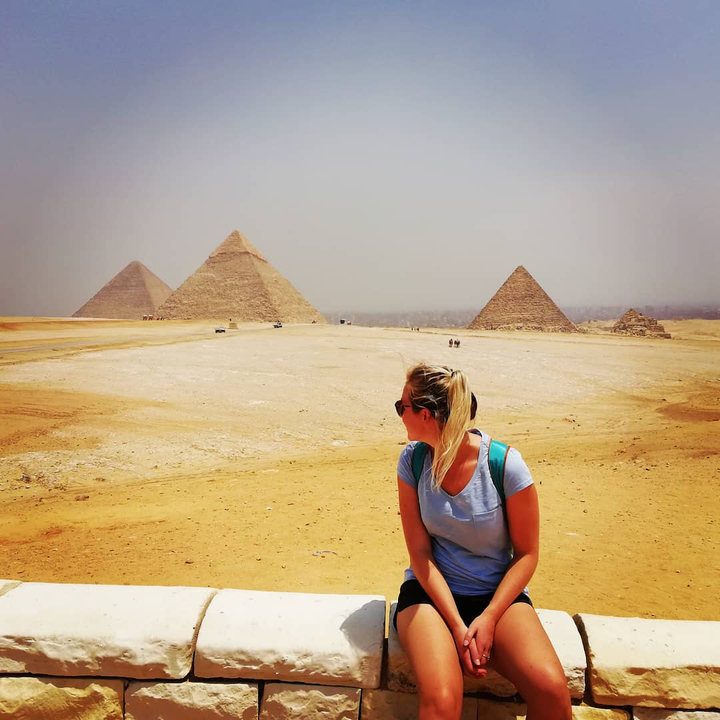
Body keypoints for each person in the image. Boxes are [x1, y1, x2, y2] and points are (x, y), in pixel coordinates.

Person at [393, 363, 571, 720]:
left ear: (425, 414)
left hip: (497, 597)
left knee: (551, 690)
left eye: (402, 407)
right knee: (442, 700)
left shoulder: (504, 464)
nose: (400, 415)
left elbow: (527, 554)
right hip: (430, 596)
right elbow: (420, 554)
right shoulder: (412, 462)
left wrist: (488, 618)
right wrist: (458, 626)